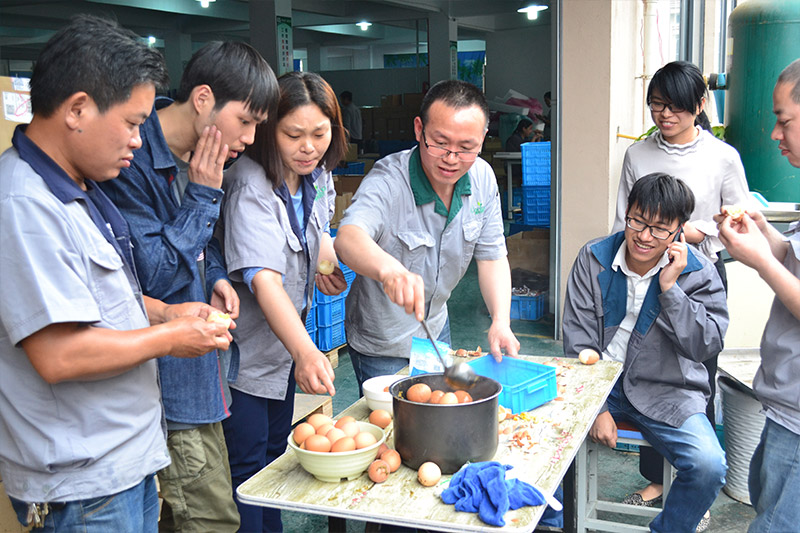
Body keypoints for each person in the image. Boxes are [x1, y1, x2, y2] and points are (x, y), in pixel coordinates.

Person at [0, 15, 233, 532]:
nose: (137, 140)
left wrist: (165, 310)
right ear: (78, 109)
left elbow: (99, 301)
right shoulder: (25, 206)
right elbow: (59, 354)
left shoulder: (80, 191)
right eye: (131, 123)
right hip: (82, 484)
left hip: (121, 462)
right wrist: (172, 336)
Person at [98, 41, 278, 531]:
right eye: (245, 120)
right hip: (163, 387)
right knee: (212, 519)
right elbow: (150, 274)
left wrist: (215, 275)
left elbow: (202, 244)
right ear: (203, 99)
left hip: (203, 374)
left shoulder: (202, 154)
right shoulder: (128, 163)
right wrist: (202, 195)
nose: (251, 135)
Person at [610, 61, 748, 520]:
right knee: (642, 368)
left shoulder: (721, 156)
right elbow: (621, 218)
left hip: (699, 275)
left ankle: (693, 485)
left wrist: (690, 233)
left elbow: (738, 218)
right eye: (655, 106)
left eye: (673, 107)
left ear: (700, 105)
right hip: (642, 273)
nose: (663, 115)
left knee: (692, 380)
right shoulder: (638, 155)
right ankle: (655, 478)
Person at [219, 71, 348, 532]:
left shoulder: (315, 176)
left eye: (319, 133)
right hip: (246, 356)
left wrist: (323, 262)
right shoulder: (251, 184)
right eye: (293, 134)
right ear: (268, 131)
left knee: (274, 459)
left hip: (281, 353)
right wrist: (305, 351)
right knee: (249, 469)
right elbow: (264, 279)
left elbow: (317, 232)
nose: (308, 146)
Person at [564, 172, 728, 533]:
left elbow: (706, 345)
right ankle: (559, 519)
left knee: (709, 465)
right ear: (627, 211)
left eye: (659, 228)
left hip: (669, 390)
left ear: (679, 230)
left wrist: (670, 290)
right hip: (600, 384)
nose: (643, 236)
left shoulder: (698, 273)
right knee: (541, 440)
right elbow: (578, 339)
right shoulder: (594, 258)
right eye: (637, 220)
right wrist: (598, 407)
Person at [334, 80, 520, 392]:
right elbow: (348, 237)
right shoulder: (389, 180)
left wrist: (501, 320)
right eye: (440, 143)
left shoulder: (483, 178)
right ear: (419, 129)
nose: (451, 158)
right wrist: (389, 270)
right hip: (384, 341)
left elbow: (492, 257)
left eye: (466, 147)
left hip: (435, 329)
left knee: (441, 411)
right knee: (400, 429)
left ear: (482, 139)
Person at [716, 58, 800, 533]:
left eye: (784, 119)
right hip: (784, 409)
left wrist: (760, 261)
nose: (774, 134)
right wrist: (767, 234)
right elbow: (796, 256)